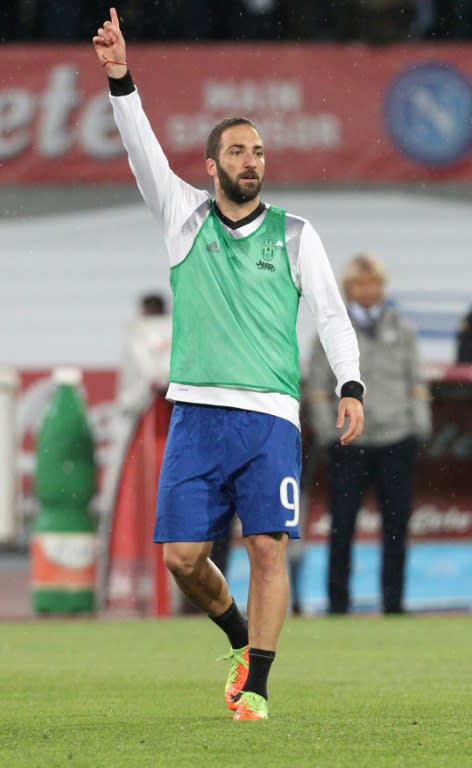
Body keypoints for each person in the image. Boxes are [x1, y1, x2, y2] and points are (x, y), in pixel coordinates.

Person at [92, 8, 364, 721]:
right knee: (182, 558)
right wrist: (121, 77)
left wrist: (350, 384)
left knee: (267, 550)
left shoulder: (297, 235)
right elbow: (140, 147)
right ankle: (241, 639)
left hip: (270, 418)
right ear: (211, 166)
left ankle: (258, 687)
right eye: (238, 151)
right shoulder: (182, 216)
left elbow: (331, 314)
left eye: (260, 151)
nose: (252, 161)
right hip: (196, 413)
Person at [307, 254, 431, 615]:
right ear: (348, 289)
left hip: (396, 437)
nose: (367, 290)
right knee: (341, 525)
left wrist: (418, 425)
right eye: (360, 284)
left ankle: (394, 603)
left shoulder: (401, 327)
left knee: (397, 526)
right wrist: (330, 433)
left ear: (381, 286)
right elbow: (316, 385)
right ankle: (338, 604)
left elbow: (416, 380)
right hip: (350, 441)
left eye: (373, 283)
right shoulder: (333, 329)